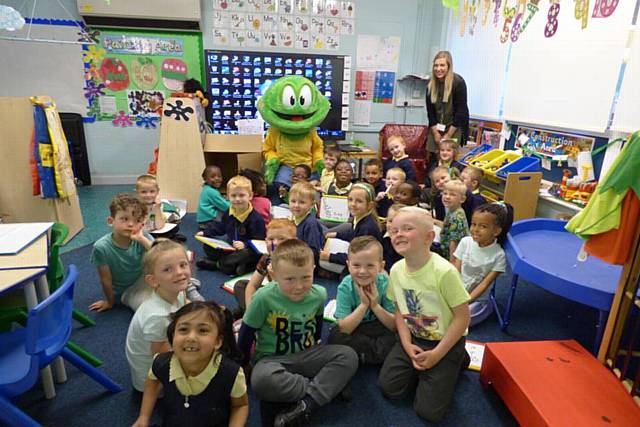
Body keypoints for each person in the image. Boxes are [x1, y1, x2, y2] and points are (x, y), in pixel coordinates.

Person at [238, 239, 358, 426]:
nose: (299, 286)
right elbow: (246, 334)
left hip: (308, 353)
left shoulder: (319, 294)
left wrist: (317, 341)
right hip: (273, 359)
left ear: (313, 270)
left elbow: (317, 323)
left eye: (306, 277)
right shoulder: (263, 298)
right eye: (289, 279)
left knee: (349, 356)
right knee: (261, 380)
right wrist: (243, 364)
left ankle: (308, 404)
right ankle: (324, 390)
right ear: (274, 275)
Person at [378, 207, 470, 422]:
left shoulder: (445, 272)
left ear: (429, 237)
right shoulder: (397, 269)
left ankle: (457, 359)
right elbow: (400, 310)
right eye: (394, 230)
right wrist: (407, 344)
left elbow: (463, 318)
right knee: (389, 389)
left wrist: (437, 354)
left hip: (444, 341)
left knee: (428, 412)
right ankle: (435, 367)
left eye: (407, 229)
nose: (398, 234)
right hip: (414, 337)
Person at [132, 301, 248, 427]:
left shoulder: (231, 373)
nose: (191, 337)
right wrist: (144, 416)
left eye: (203, 330)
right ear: (173, 336)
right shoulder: (161, 363)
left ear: (218, 341)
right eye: (183, 329)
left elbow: (240, 405)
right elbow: (152, 382)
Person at [126, 240, 189, 392]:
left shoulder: (174, 291)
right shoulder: (157, 316)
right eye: (168, 269)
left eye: (183, 265)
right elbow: (163, 357)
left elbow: (186, 305)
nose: (179, 272)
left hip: (165, 349)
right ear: (153, 280)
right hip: (152, 383)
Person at [328, 236, 396, 365]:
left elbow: (393, 325)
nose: (362, 271)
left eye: (370, 265)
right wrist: (364, 305)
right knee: (335, 335)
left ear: (381, 266)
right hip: (356, 327)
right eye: (356, 265)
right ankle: (373, 355)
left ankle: (363, 356)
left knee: (400, 334)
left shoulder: (386, 284)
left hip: (378, 325)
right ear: (348, 266)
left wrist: (375, 305)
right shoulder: (345, 286)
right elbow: (344, 328)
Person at [90, 193, 153, 312]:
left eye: (137, 220)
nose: (130, 224)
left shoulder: (141, 236)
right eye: (124, 219)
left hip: (147, 278)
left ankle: (189, 287)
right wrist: (110, 302)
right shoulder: (101, 247)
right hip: (127, 290)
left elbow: (160, 255)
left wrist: (142, 239)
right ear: (111, 221)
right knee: (147, 308)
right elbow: (106, 279)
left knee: (175, 265)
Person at [453, 203, 513, 327]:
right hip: (457, 290)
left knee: (459, 321)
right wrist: (453, 293)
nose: (475, 229)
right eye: (473, 224)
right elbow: (455, 270)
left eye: (483, 226)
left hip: (477, 299)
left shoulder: (499, 255)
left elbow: (484, 284)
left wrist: (465, 301)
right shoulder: (465, 242)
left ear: (496, 231)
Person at [196, 176, 266, 276]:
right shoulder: (228, 212)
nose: (237, 199)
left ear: (250, 196)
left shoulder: (256, 219)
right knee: (208, 246)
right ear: (228, 197)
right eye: (233, 196)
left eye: (242, 195)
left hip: (248, 250)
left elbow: (259, 241)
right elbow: (221, 227)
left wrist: (245, 244)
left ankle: (218, 265)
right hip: (231, 247)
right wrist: (205, 232)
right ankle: (235, 266)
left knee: (245, 255)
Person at [232, 218, 297, 318]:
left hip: (289, 302)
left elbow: (291, 296)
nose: (275, 243)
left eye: (282, 239)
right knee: (241, 285)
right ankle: (249, 314)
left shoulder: (297, 261)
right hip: (271, 294)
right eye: (271, 239)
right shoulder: (267, 258)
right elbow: (253, 285)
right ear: (265, 240)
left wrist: (275, 279)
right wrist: (250, 312)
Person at [322, 183, 383, 267]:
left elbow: (358, 257)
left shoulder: (367, 227)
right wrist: (337, 234)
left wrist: (330, 257)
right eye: (350, 200)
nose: (353, 204)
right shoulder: (359, 218)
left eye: (359, 201)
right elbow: (353, 234)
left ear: (370, 205)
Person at [426, 51, 469, 166]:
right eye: (436, 65)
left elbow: (461, 112)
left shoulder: (458, 83)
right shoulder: (430, 85)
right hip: (436, 126)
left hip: (454, 127)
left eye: (442, 65)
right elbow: (430, 113)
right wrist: (435, 134)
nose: (438, 69)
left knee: (449, 157)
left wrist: (448, 135)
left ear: (448, 67)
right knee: (434, 159)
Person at [290, 182, 324, 266]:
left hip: (305, 266)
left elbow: (314, 252)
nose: (296, 205)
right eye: (293, 201)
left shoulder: (311, 224)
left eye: (302, 202)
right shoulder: (292, 220)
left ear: (312, 205)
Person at [438, 179, 469, 261]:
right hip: (446, 248)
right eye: (445, 193)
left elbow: (454, 242)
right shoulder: (451, 210)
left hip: (452, 255)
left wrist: (452, 262)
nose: (447, 197)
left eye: (452, 195)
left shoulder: (457, 217)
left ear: (462, 199)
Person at [197, 165, 230, 229]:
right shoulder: (211, 191)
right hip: (208, 220)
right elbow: (225, 207)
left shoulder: (207, 188)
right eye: (212, 177)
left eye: (219, 176)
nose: (217, 178)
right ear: (205, 179)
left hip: (204, 218)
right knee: (230, 213)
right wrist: (235, 204)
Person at [382, 203, 405, 273]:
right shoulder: (381, 240)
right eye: (390, 221)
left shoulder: (407, 243)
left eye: (398, 222)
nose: (393, 225)